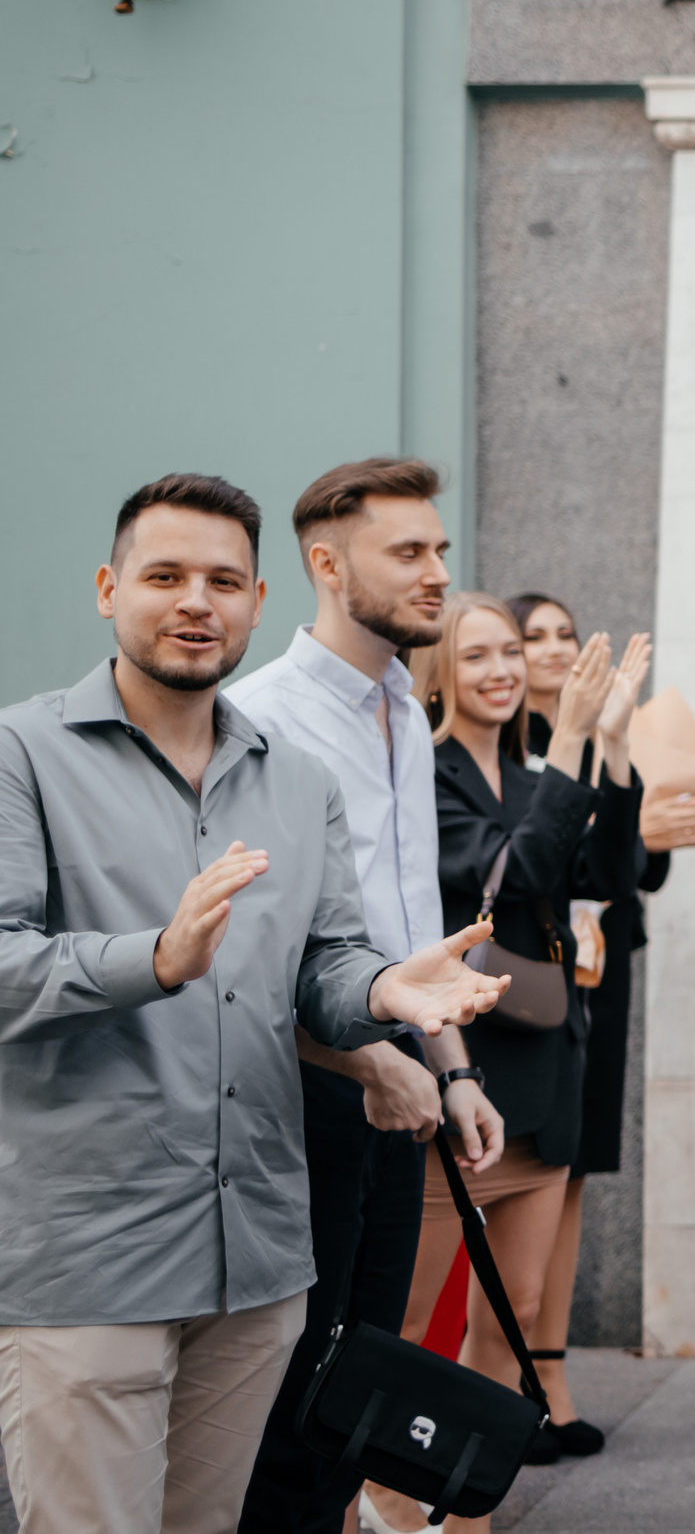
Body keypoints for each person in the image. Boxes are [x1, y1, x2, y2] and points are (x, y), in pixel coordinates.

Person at [0, 474, 505, 1534]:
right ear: (107, 588)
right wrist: (158, 957)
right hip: (93, 1261)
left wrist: (380, 987)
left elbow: (325, 963)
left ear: (259, 598)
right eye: (166, 576)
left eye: (224, 580)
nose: (198, 601)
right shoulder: (23, 755)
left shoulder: (296, 777)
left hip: (260, 1258)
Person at [229, 459, 508, 1531]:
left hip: (401, 1086)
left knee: (357, 1390)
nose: (439, 572)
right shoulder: (266, 717)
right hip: (301, 1096)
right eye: (410, 554)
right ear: (325, 565)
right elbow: (251, 954)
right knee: (287, 1401)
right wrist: (370, 1062)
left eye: (440, 550)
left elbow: (399, 936)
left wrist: (453, 1069)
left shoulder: (401, 702)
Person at [364, 596, 645, 1533]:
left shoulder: (539, 770)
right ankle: (394, 1502)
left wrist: (608, 743)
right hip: (462, 1068)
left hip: (546, 1065)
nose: (503, 668)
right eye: (477, 653)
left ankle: (470, 1508)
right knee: (408, 1318)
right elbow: (515, 878)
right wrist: (566, 750)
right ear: (441, 670)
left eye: (512, 651)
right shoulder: (424, 775)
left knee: (515, 1311)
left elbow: (608, 870)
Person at [506, 590, 695, 1457]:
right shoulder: (498, 744)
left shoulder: (616, 730)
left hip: (599, 966)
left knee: (577, 1161)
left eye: (563, 632)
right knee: (515, 1169)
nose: (553, 648)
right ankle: (505, 1369)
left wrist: (649, 825)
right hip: (518, 971)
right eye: (534, 636)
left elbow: (633, 875)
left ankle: (550, 1372)